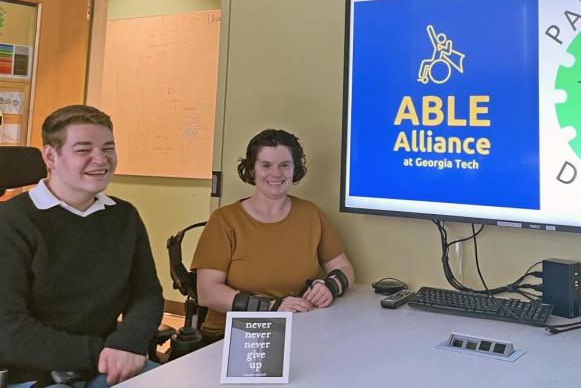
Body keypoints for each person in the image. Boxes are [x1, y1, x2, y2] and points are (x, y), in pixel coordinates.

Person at [0, 105, 164, 388]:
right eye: (83, 149)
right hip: (33, 372)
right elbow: (8, 330)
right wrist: (103, 353)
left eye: (108, 148)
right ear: (50, 156)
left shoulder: (124, 216)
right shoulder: (12, 222)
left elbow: (146, 293)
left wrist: (128, 342)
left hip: (106, 365)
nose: (100, 159)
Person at [191, 129, 355, 339]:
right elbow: (207, 292)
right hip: (233, 335)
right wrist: (270, 307)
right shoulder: (224, 220)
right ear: (252, 170)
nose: (276, 173)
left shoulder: (311, 214)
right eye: (266, 165)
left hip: (297, 328)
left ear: (295, 169)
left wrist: (330, 287)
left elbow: (344, 267)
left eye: (284, 165)